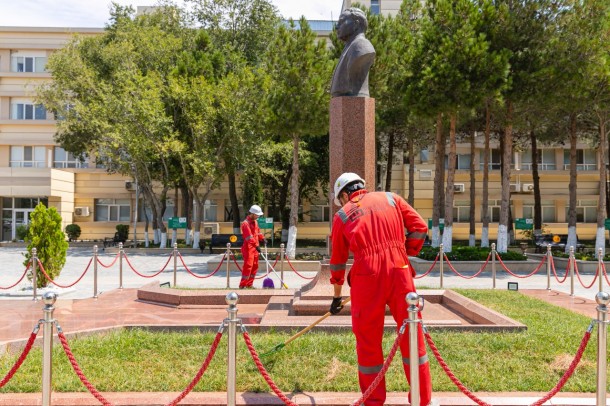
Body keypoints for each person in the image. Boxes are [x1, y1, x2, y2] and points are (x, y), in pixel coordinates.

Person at [328, 172, 432, 406]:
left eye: (341, 198)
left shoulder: (343, 215)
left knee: (368, 341)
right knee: (412, 334)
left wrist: (336, 298)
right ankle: (421, 399)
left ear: (345, 194)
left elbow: (337, 262)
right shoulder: (391, 198)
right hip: (400, 271)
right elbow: (420, 227)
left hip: (367, 277)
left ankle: (373, 401)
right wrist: (405, 251)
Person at [330, 7, 376, 98]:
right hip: (341, 102)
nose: (337, 27)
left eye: (341, 22)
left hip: (354, 98)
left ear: (356, 24)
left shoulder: (361, 45)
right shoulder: (349, 47)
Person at [239, 204, 265, 289]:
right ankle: (243, 285)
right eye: (257, 215)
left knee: (254, 266)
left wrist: (262, 239)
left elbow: (258, 232)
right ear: (253, 214)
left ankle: (249, 284)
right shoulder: (245, 224)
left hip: (255, 248)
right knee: (248, 266)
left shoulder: (255, 222)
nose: (258, 216)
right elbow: (249, 237)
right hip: (248, 248)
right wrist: (256, 245)